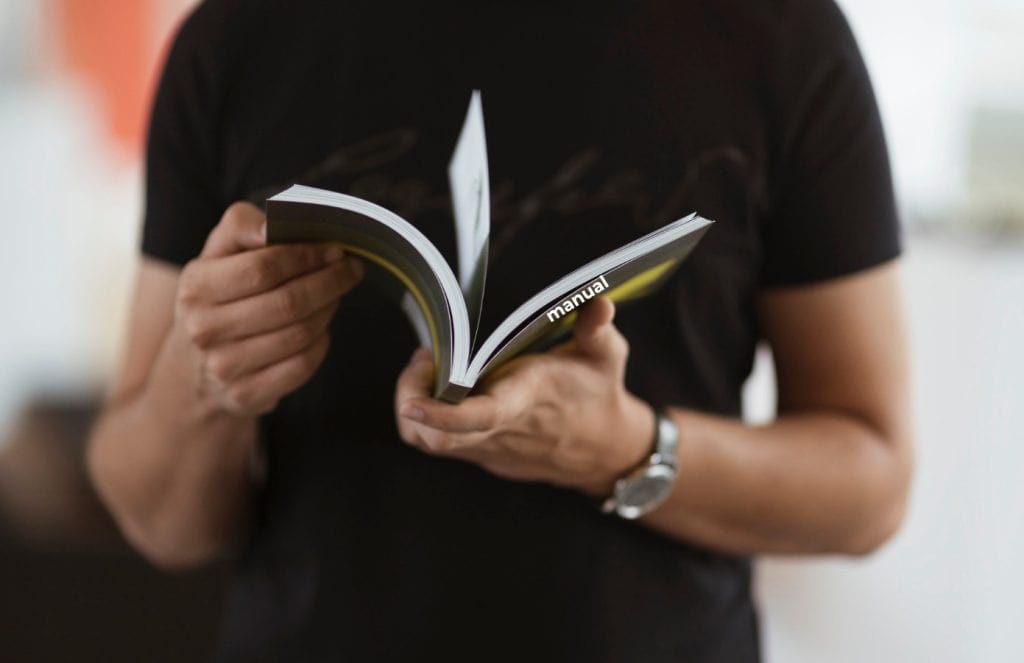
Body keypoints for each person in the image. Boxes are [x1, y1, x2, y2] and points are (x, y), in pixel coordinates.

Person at [87, 0, 914, 661]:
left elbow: (871, 483)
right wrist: (201, 382)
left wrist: (624, 449)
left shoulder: (780, 35)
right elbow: (161, 522)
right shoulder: (235, 38)